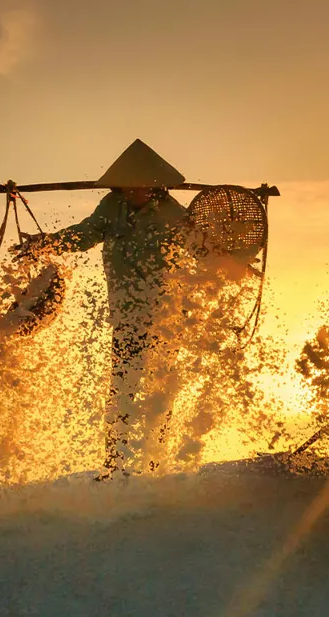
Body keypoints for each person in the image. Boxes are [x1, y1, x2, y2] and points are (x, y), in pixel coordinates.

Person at [12, 139, 196, 480]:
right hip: (126, 317)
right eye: (128, 185)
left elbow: (203, 247)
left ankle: (154, 466)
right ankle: (115, 465)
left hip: (166, 318)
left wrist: (233, 259)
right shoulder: (111, 207)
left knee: (158, 391)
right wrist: (47, 243)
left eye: (140, 185)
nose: (134, 191)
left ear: (155, 186)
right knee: (121, 390)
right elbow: (86, 233)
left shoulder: (173, 213)